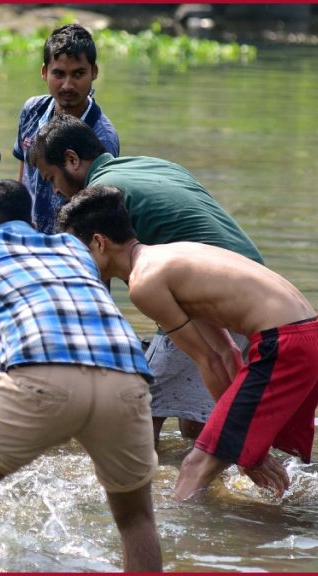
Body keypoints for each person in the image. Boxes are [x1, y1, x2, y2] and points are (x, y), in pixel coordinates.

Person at [0, 180, 161, 572]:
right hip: (126, 377)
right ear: (29, 220)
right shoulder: (72, 248)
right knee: (136, 519)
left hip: (41, 377)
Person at [58, 185, 318, 500]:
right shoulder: (168, 256)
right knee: (240, 456)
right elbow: (226, 352)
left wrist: (240, 441)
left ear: (98, 243)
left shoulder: (144, 283)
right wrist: (240, 441)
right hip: (310, 337)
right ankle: (276, 525)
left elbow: (210, 360)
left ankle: (181, 540)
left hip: (286, 345)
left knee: (194, 467)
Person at [31, 112, 264, 444]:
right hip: (252, 285)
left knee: (136, 408)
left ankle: (150, 489)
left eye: (51, 178)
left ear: (71, 160)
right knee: (194, 424)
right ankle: (217, 481)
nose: (55, 190)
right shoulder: (148, 164)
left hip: (214, 295)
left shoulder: (105, 195)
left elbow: (130, 279)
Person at [13, 23, 119, 234]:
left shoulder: (101, 137)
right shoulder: (32, 110)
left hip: (68, 244)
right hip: (29, 234)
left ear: (94, 72)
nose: (68, 85)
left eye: (78, 74)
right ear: (44, 72)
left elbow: (96, 211)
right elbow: (24, 172)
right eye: (59, 74)